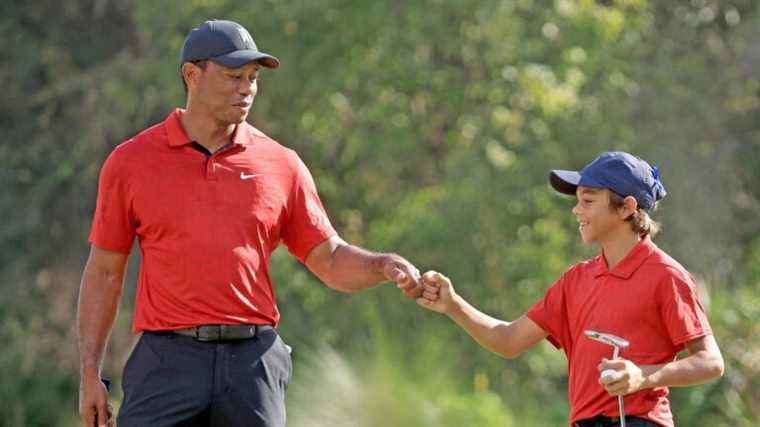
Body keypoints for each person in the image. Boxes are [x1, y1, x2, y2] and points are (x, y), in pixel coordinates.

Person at [77, 19, 423, 427]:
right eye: (233, 76)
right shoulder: (131, 162)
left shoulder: (281, 163)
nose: (246, 89)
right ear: (192, 75)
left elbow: (329, 260)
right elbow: (104, 273)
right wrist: (89, 373)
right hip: (167, 361)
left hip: (252, 364)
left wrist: (382, 265)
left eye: (253, 78)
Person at [417, 151, 724, 427]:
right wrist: (452, 304)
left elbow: (710, 363)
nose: (576, 210)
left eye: (588, 201)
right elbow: (508, 340)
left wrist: (643, 376)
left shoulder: (666, 275)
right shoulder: (576, 280)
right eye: (577, 200)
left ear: (626, 208)